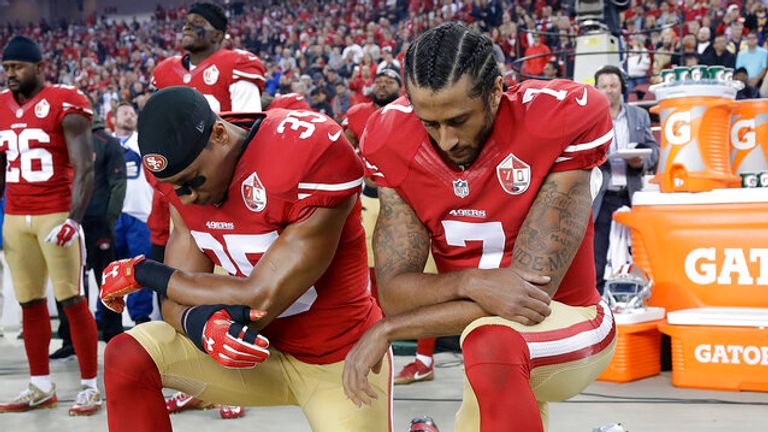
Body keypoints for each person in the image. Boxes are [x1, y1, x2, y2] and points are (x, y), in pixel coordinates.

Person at [343, 23, 617, 432]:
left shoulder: (556, 117)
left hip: (571, 322)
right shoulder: (388, 136)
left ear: (496, 91)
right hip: (484, 347)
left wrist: (391, 328)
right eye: (429, 124)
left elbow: (528, 300)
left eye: (458, 120)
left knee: (492, 341)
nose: (446, 140)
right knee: (488, 355)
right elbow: (397, 293)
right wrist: (469, 281)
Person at [98, 86, 390, 432]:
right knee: (127, 356)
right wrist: (200, 326)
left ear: (219, 134)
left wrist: (146, 272)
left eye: (191, 181)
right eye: (176, 186)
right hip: (251, 356)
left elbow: (261, 298)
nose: (186, 197)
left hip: (338, 359)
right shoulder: (181, 172)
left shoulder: (305, 152)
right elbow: (175, 302)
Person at [148, 2, 267, 417]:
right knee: (179, 284)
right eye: (186, 22)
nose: (188, 28)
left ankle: (231, 387)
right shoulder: (164, 71)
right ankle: (197, 382)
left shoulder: (236, 64)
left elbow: (249, 122)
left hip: (220, 188)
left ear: (220, 34)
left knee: (227, 281)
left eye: (199, 24)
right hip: (174, 191)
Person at [0, 35, 102, 416]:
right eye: (7, 67)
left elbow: (85, 165)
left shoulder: (66, 100)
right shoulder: (1, 106)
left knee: (72, 299)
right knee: (28, 301)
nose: (11, 74)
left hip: (55, 212)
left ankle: (90, 386)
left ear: (40, 67)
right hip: (16, 214)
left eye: (18, 67)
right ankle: (41, 384)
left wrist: (74, 220)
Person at [51, 112, 127, 360]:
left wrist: (110, 219)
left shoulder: (107, 141)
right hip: (69, 220)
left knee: (106, 282)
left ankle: (113, 334)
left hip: (97, 223)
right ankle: (69, 339)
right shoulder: (61, 140)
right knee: (69, 283)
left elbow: (118, 183)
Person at [592, 66, 659, 294]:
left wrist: (642, 162)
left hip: (631, 194)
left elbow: (654, 149)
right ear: (597, 90)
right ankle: (598, 301)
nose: (609, 91)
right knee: (598, 253)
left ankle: (636, 294)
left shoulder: (639, 115)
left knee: (637, 249)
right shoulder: (590, 119)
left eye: (613, 85)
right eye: (604, 86)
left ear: (622, 87)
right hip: (602, 194)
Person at [113, 101, 156, 325]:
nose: (130, 116)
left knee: (140, 269)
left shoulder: (142, 141)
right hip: (112, 215)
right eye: (124, 113)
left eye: (132, 113)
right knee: (110, 269)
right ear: (114, 118)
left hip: (140, 214)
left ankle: (141, 318)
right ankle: (108, 318)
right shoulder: (105, 144)